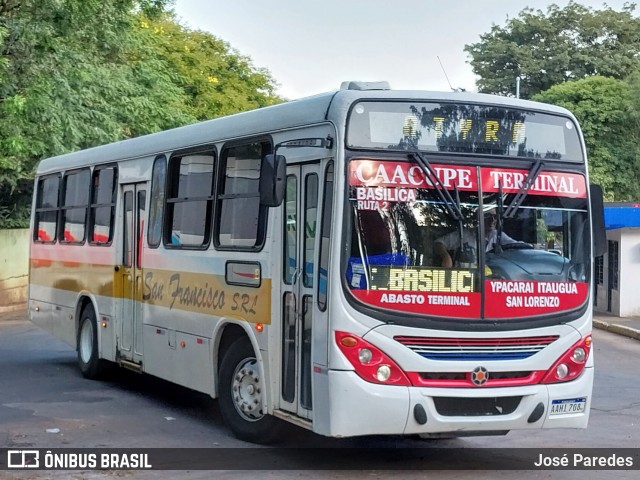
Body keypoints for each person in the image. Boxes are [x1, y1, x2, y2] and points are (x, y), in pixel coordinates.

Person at [434, 211, 518, 268]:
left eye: (495, 217)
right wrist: (446, 257)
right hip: (464, 281)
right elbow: (438, 243)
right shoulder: (464, 234)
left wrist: (530, 247)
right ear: (478, 219)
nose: (492, 220)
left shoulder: (497, 235)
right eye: (488, 216)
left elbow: (517, 246)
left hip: (487, 282)